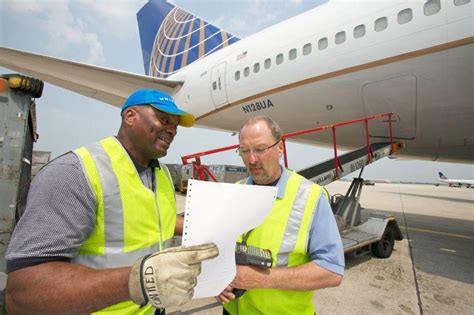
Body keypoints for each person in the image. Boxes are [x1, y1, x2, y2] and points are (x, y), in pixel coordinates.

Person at [5, 89, 218, 314]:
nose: (172, 130)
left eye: (175, 125)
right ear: (130, 117)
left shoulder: (161, 173)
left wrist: (208, 227)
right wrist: (138, 281)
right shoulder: (76, 172)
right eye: (163, 119)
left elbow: (153, 224)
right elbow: (22, 294)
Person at [217, 115, 344, 314]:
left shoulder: (310, 196)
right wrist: (217, 281)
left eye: (260, 149)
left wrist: (260, 279)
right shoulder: (235, 192)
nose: (252, 159)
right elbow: (219, 248)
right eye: (244, 151)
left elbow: (332, 271)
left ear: (280, 147)